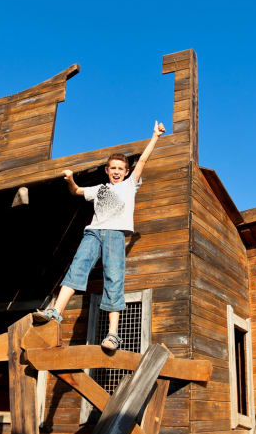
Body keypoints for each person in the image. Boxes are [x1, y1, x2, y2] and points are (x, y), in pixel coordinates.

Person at [33, 120, 166, 351]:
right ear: (107, 170)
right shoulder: (99, 189)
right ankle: (56, 312)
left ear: (126, 172)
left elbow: (143, 160)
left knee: (114, 278)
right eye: (112, 168)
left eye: (120, 169)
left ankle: (113, 334)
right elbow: (75, 191)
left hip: (115, 236)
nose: (116, 172)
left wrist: (154, 137)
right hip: (93, 233)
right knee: (78, 267)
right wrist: (70, 179)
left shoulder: (129, 185)